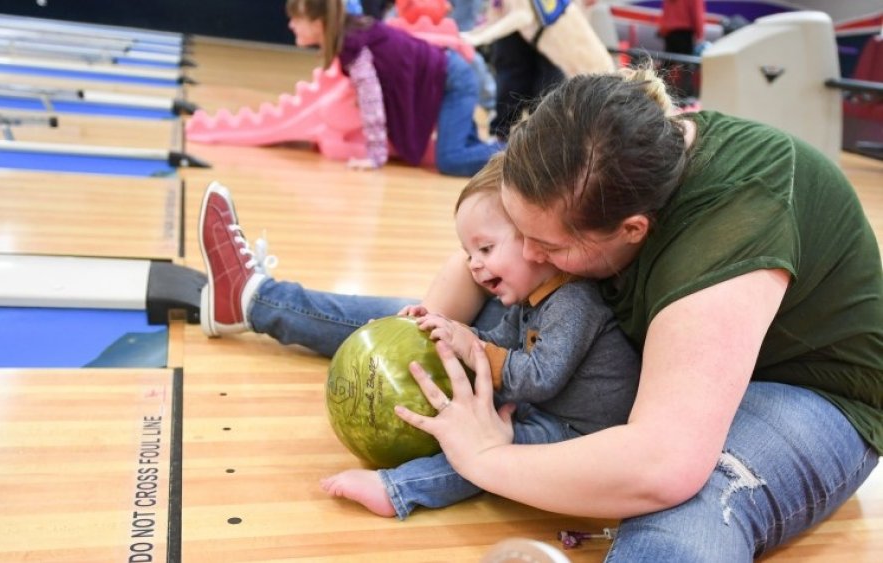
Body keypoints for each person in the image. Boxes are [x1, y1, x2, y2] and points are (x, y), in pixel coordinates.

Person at [198, 66, 882, 559]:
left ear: (632, 232)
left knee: (685, 503)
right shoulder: (590, 145)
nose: (528, 254)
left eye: (545, 246)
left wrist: (486, 455)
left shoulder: (737, 216)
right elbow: (460, 287)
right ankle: (257, 301)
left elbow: (663, 462)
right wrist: (427, 344)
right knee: (474, 324)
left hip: (813, 391)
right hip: (664, 354)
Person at [318, 152, 641, 519]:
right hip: (546, 408)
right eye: (468, 252)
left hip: (581, 432)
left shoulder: (574, 302)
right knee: (476, 430)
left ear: (535, 241)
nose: (473, 263)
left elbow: (539, 378)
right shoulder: (530, 301)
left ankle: (397, 489)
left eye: (485, 248)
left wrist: (472, 348)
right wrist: (448, 330)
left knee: (489, 451)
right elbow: (494, 341)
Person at [285, 0, 503, 177]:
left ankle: (522, 153)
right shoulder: (353, 34)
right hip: (449, 76)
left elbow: (371, 100)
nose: (291, 25)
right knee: (469, 149)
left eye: (296, 19)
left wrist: (375, 155)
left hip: (454, 79)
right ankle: (514, 156)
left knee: (451, 160)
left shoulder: (353, 43)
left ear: (317, 23)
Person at [657, 0, 705, 100]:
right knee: (687, 67)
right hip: (685, 34)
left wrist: (662, 30)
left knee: (666, 66)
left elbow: (666, 12)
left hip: (670, 33)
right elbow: (696, 13)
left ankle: (657, 92)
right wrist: (700, 35)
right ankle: (685, 97)